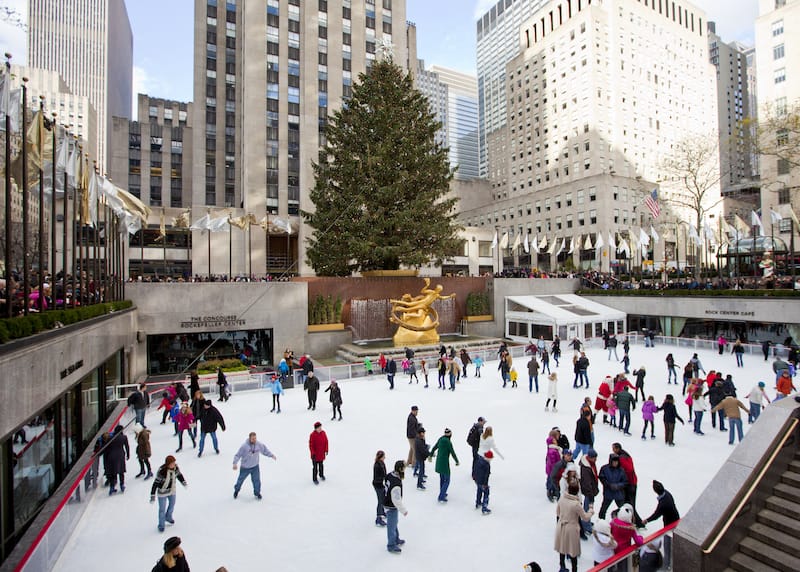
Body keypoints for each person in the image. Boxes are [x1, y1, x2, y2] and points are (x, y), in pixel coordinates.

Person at [554, 480, 594, 572]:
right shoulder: (576, 504)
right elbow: (585, 517)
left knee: (562, 548)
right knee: (573, 551)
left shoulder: (562, 499)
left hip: (561, 526)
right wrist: (591, 510)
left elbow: (558, 512)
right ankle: (574, 570)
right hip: (571, 528)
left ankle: (562, 566)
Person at [644, 480, 680, 569]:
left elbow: (656, 515)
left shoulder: (663, 504)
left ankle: (666, 564)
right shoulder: (667, 493)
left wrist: (647, 520)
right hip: (675, 519)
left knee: (667, 543)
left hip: (670, 524)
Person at [232, 432, 277, 500]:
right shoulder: (244, 446)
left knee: (256, 481)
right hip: (245, 467)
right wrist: (235, 463)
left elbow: (264, 450)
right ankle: (236, 490)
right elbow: (238, 455)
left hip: (255, 467)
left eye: (255, 438)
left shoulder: (258, 444)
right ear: (249, 438)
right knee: (240, 480)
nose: (254, 440)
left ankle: (257, 493)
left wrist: (271, 455)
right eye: (253, 439)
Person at [149, 455, 188, 532]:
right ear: (168, 464)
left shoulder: (175, 469)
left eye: (174, 462)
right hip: (162, 492)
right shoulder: (162, 471)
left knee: (172, 505)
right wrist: (152, 496)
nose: (174, 464)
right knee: (162, 510)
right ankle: (161, 525)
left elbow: (179, 475)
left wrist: (184, 482)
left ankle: (168, 517)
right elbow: (155, 484)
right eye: (172, 463)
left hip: (172, 491)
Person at [612, 443, 644, 528]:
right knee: (629, 503)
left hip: (630, 484)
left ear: (617, 448)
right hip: (631, 483)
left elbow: (628, 469)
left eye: (614, 448)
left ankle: (638, 522)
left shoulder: (622, 458)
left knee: (630, 504)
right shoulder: (625, 455)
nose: (613, 450)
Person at [383, 460, 408, 554]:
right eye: (404, 467)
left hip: (387, 502)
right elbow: (396, 500)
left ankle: (396, 539)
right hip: (391, 506)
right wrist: (403, 510)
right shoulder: (396, 483)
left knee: (394, 523)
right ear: (401, 469)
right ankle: (391, 545)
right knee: (391, 526)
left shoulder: (390, 475)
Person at [429, 428, 459, 503]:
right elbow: (452, 452)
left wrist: (430, 455)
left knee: (442, 478)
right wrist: (457, 461)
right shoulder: (448, 442)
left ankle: (442, 492)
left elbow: (434, 447)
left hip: (438, 462)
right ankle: (441, 496)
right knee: (447, 480)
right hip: (445, 463)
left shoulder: (441, 439)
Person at [598, 453, 627, 520]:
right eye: (614, 461)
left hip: (619, 494)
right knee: (603, 510)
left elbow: (625, 481)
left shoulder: (621, 470)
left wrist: (618, 486)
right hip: (608, 493)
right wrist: (609, 485)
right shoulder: (604, 468)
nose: (615, 463)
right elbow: (602, 478)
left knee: (623, 511)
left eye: (616, 461)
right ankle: (601, 523)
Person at [579, 448, 600, 539]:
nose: (595, 460)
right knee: (588, 508)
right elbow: (587, 483)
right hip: (589, 492)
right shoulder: (586, 468)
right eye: (594, 458)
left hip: (591, 490)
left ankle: (587, 522)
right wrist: (591, 493)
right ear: (589, 458)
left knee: (588, 507)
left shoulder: (590, 464)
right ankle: (586, 525)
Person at [104, 424, 129, 495]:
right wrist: (128, 455)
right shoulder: (124, 437)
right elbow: (127, 446)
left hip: (111, 456)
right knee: (121, 471)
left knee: (113, 472)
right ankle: (122, 485)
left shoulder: (110, 438)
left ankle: (112, 486)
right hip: (120, 456)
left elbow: (107, 448)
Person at [473, 450, 493, 515]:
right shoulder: (487, 465)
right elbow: (486, 476)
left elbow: (474, 470)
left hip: (477, 480)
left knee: (479, 490)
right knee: (486, 493)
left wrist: (475, 478)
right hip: (482, 482)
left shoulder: (478, 461)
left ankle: (478, 503)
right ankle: (484, 508)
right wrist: (485, 484)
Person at [373, 450, 388, 526]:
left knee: (382, 499)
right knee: (380, 501)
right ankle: (378, 518)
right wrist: (382, 479)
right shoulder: (377, 465)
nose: (385, 457)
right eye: (384, 456)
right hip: (378, 485)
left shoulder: (381, 463)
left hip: (381, 484)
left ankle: (382, 512)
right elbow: (377, 477)